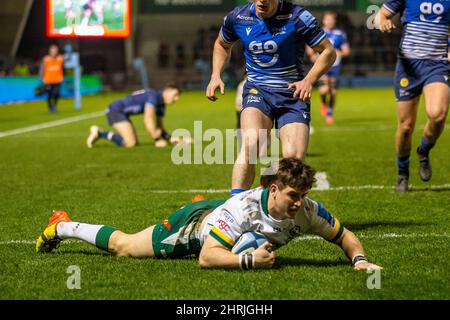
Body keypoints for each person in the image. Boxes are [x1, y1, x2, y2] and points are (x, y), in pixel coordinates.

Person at [36, 158, 381, 271]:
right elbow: (206, 258)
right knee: (123, 247)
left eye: (303, 196)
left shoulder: (307, 210)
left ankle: (213, 214)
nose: (298, 203)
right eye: (293, 195)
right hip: (194, 227)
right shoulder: (243, 207)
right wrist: (250, 262)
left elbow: (344, 236)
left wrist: (360, 260)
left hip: (220, 220)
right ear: (273, 189)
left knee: (248, 240)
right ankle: (63, 225)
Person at [206, 0, 336, 198]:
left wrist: (308, 80)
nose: (262, 2)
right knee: (251, 143)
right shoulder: (238, 17)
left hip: (293, 94)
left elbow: (328, 51)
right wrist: (216, 74)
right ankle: (235, 209)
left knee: (294, 159)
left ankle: (284, 215)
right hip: (258, 91)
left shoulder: (298, 16)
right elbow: (222, 44)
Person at [378, 0, 450, 192]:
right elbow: (381, 15)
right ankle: (403, 173)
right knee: (406, 126)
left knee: (438, 114)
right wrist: (383, 21)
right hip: (408, 67)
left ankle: (424, 150)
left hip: (437, 65)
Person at [86, 82, 189, 148]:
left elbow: (160, 128)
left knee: (132, 143)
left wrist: (173, 139)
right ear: (166, 91)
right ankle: (100, 133)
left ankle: (99, 133)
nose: (176, 99)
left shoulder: (161, 104)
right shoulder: (154, 97)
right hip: (115, 110)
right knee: (130, 143)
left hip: (123, 113)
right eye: (175, 95)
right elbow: (148, 119)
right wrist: (157, 140)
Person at [307, 11, 351, 125]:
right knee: (324, 88)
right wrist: (312, 55)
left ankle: (329, 111)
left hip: (335, 65)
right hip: (321, 64)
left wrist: (341, 53)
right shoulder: (319, 32)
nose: (330, 21)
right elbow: (309, 45)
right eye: (328, 19)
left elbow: (346, 50)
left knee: (333, 92)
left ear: (334, 21)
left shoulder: (340, 34)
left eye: (332, 19)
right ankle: (325, 106)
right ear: (324, 21)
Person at [39, 44, 64, 113]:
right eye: (53, 50)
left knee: (56, 94)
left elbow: (64, 66)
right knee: (50, 95)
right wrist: (41, 78)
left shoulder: (60, 58)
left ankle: (54, 106)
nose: (54, 51)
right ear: (50, 51)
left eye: (55, 50)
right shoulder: (46, 59)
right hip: (48, 80)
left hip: (57, 80)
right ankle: (50, 108)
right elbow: (42, 69)